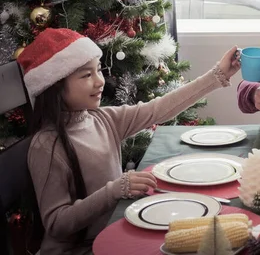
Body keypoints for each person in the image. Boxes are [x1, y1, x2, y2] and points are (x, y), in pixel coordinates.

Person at [17, 28, 240, 255]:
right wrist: (113, 190)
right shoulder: (46, 146)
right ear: (54, 86)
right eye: (86, 75)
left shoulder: (102, 119)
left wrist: (218, 75)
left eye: (99, 71)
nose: (99, 81)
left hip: (113, 235)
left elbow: (157, 110)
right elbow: (56, 224)